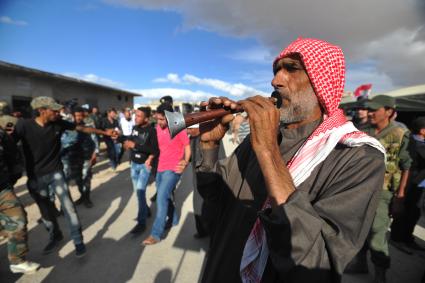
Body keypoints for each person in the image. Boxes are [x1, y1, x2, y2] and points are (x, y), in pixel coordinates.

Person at [196, 38, 386, 283]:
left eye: (291, 69)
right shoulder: (262, 137)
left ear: (321, 83)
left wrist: (268, 152)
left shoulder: (357, 157)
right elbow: (216, 198)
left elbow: (317, 263)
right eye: (276, 70)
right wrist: (210, 145)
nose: (276, 81)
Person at [12, 96, 115, 257]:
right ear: (41, 111)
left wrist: (104, 132)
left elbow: (81, 129)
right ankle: (56, 236)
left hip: (56, 173)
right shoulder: (24, 126)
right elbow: (9, 144)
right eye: (54, 110)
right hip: (36, 178)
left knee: (68, 207)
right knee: (46, 211)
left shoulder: (58, 123)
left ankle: (78, 241)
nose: (58, 112)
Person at [362, 95, 412, 282]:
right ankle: (360, 264)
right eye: (369, 109)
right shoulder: (365, 130)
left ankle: (380, 274)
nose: (370, 113)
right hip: (362, 188)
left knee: (377, 232)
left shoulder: (400, 134)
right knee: (359, 229)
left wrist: (400, 197)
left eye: (375, 110)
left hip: (383, 192)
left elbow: (407, 166)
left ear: (389, 111)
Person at [142, 103, 191, 245]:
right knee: (165, 196)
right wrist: (150, 158)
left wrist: (185, 163)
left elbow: (187, 147)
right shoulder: (157, 128)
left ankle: (156, 234)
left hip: (174, 169)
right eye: (157, 119)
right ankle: (174, 219)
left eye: (162, 119)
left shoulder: (178, 128)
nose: (159, 122)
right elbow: (158, 148)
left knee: (161, 198)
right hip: (160, 168)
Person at [0, 127, 40, 274]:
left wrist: (10, 179)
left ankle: (17, 260)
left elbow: (13, 156)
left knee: (18, 219)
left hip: (2, 189)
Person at [122, 107, 159, 235]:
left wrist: (135, 146)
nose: (135, 118)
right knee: (138, 193)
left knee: (139, 193)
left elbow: (155, 150)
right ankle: (146, 210)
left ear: (147, 119)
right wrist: (126, 143)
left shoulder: (152, 131)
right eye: (135, 115)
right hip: (134, 165)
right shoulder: (135, 128)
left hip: (144, 166)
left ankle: (141, 223)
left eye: (138, 116)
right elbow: (132, 141)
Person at [390, 116, 425, 251]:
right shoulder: (415, 143)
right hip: (411, 184)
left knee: (414, 213)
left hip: (419, 185)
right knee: (405, 212)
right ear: (422, 130)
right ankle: (397, 238)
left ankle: (407, 238)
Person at [61, 106, 97, 208]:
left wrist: (95, 153)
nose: (79, 118)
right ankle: (82, 196)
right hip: (73, 156)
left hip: (86, 155)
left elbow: (95, 139)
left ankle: (87, 199)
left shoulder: (89, 123)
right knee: (78, 179)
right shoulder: (67, 124)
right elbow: (62, 140)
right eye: (77, 115)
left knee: (86, 177)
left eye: (80, 115)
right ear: (73, 115)